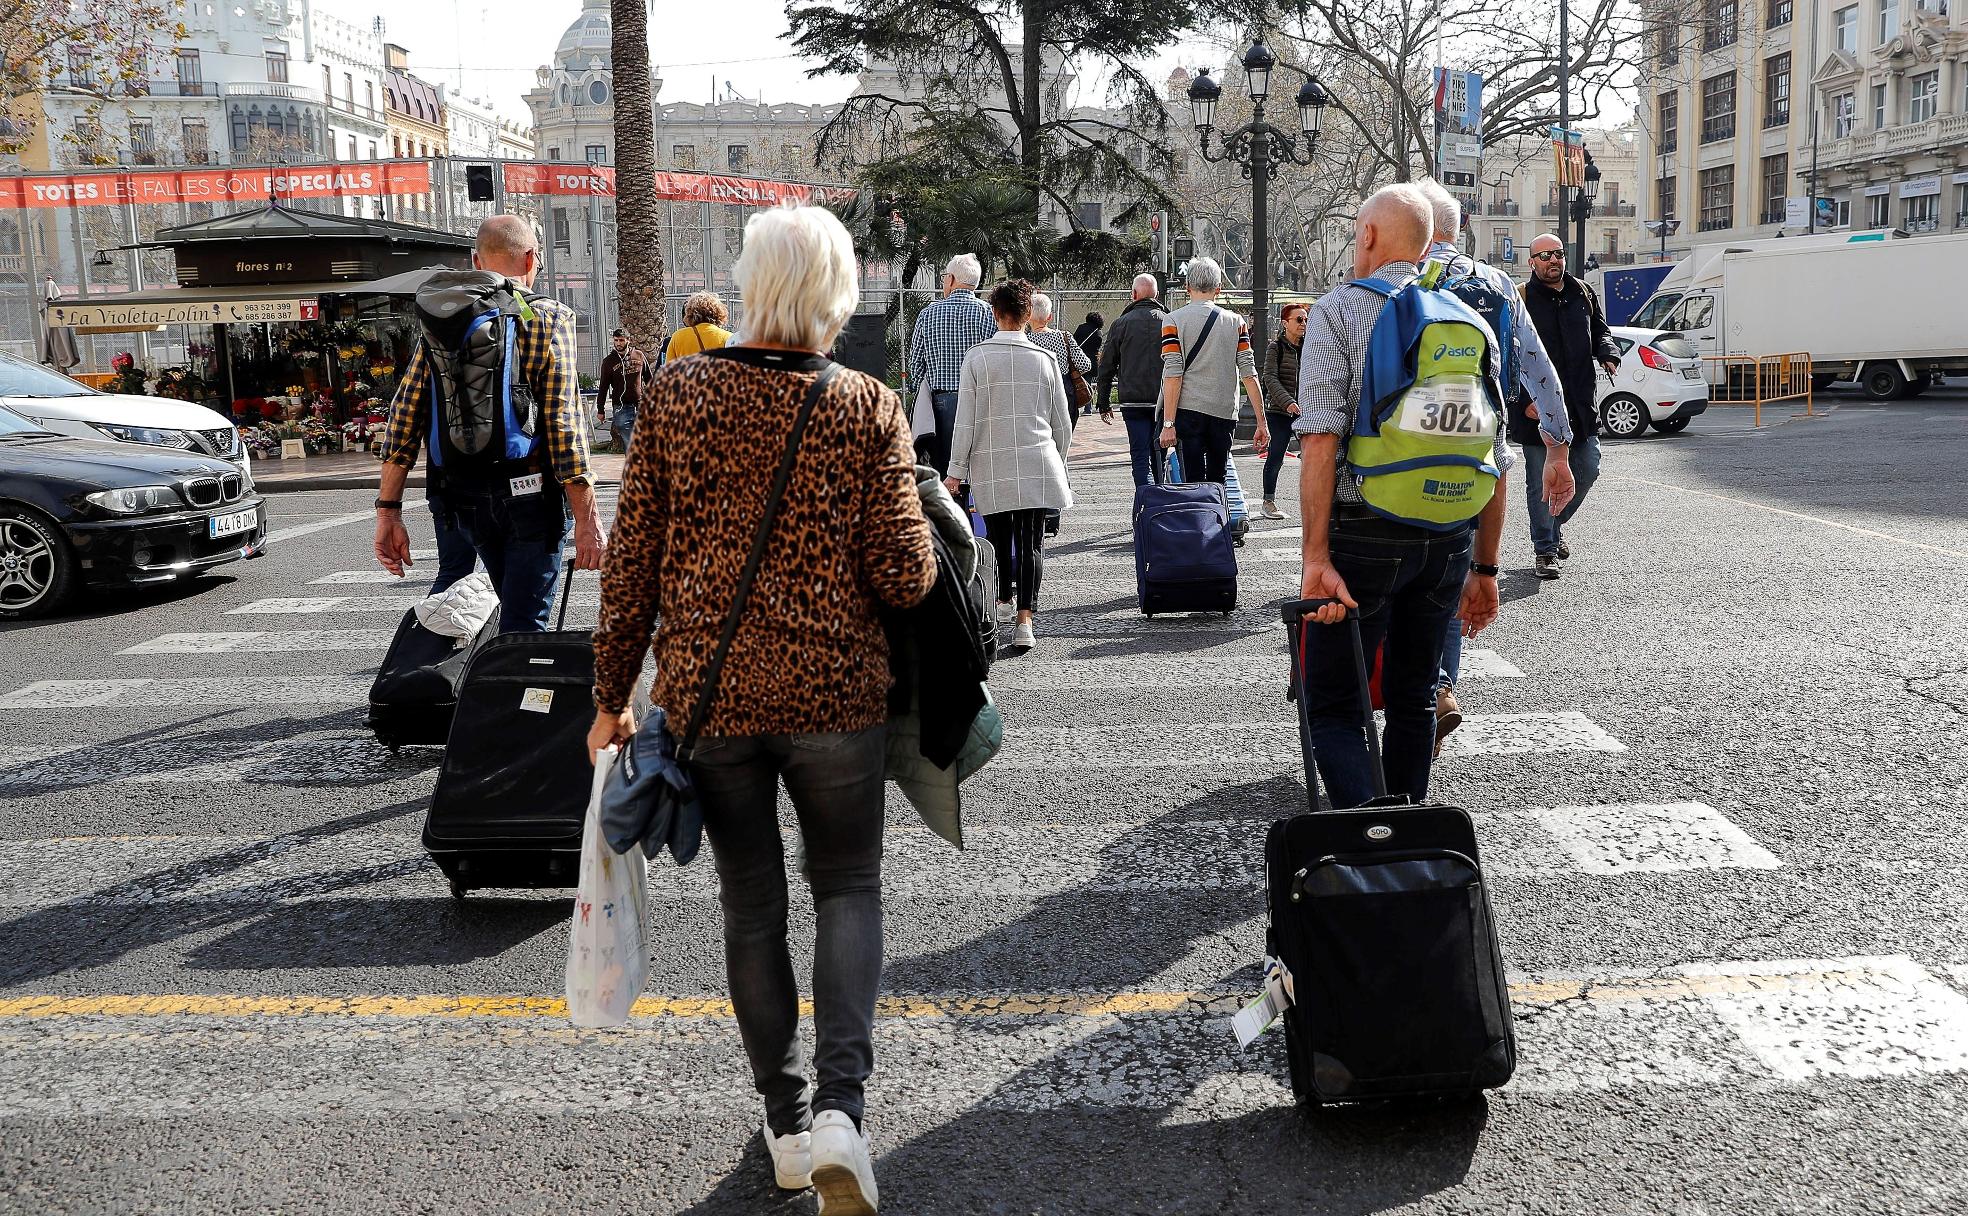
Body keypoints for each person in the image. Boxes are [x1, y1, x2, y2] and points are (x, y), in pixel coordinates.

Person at [588, 204, 936, 1213]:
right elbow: (905, 576)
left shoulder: (678, 395)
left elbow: (632, 567)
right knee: (846, 888)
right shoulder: (865, 403)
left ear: (750, 280)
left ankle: (785, 1129)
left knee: (753, 905)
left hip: (710, 697)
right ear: (837, 292)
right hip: (835, 694)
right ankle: (841, 1114)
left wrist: (610, 697)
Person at [1292, 184, 1512, 808]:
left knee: (1334, 703)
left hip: (1363, 530)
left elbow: (1320, 438)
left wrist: (1315, 556)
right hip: (1447, 533)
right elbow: (1494, 454)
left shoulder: (1338, 310)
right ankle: (1408, 834)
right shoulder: (1469, 322)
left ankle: (1369, 837)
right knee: (1416, 696)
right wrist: (1486, 567)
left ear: (1366, 236)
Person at [373, 214, 605, 631]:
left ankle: (493, 686)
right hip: (530, 495)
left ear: (477, 260)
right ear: (532, 257)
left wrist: (388, 512)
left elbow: (404, 415)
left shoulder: (444, 321)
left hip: (463, 495)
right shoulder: (548, 317)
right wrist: (588, 521)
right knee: (525, 623)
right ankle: (511, 691)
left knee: (508, 612)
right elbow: (563, 423)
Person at [1415, 180, 1577, 754]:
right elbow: (1538, 368)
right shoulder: (1498, 286)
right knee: (1456, 574)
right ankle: (1441, 689)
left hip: (1398, 460)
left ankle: (1419, 690)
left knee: (1400, 577)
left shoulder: (1392, 283)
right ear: (1458, 229)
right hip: (1480, 458)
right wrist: (1557, 448)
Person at [946, 279, 1075, 651]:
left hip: (991, 461)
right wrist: (1059, 460)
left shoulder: (977, 358)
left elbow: (965, 421)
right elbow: (1061, 423)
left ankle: (1001, 601)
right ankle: (1025, 620)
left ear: (996, 314)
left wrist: (956, 469)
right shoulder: (1045, 359)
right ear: (1025, 315)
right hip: (1037, 459)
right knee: (1032, 542)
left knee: (999, 537)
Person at [1520, 232, 1620, 578]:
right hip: (1537, 410)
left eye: (1558, 254)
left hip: (1579, 405)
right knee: (1540, 481)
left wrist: (1607, 353)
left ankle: (1553, 524)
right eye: (1544, 255)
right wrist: (1523, 400)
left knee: (1588, 467)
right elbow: (1508, 353)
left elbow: (1601, 331)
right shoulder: (1521, 298)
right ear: (1532, 262)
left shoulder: (1583, 292)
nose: (1553, 260)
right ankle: (1545, 549)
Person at [1158, 255, 1268, 486]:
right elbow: (1249, 373)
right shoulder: (1236, 322)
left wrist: (1168, 423)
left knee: (1193, 482)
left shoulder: (1173, 320)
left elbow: (1173, 374)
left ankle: (1198, 520)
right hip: (1224, 412)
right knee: (1219, 480)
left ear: (1187, 287)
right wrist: (1261, 422)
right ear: (1218, 288)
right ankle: (1218, 520)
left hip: (1188, 411)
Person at [906, 253, 996, 476]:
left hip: (942, 402)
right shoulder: (988, 314)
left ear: (952, 279)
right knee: (978, 467)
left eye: (945, 276)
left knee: (945, 469)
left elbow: (915, 364)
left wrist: (920, 392)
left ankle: (952, 508)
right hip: (980, 399)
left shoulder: (928, 315)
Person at [1095, 273, 1169, 488]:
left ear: (1134, 294)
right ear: (1156, 294)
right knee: (1160, 453)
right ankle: (1160, 495)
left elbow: (1106, 366)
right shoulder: (1169, 321)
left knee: (1139, 455)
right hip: (1163, 399)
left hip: (1132, 400)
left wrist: (1103, 402)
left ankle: (1145, 497)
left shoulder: (1121, 324)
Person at [1257, 302, 1308, 520]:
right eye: (1299, 319)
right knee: (1276, 456)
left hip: (1306, 411)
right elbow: (1269, 378)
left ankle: (1318, 504)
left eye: (1305, 319)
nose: (1303, 323)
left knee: (1315, 457)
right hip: (1279, 411)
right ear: (1285, 323)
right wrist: (1288, 402)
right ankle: (1268, 502)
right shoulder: (1275, 347)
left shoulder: (1310, 346)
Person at [598, 327, 647, 453]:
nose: (618, 343)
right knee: (629, 441)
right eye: (616, 340)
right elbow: (603, 387)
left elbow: (649, 378)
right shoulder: (608, 362)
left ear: (628, 340)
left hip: (640, 404)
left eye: (621, 340)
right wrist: (600, 410)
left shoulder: (639, 355)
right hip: (621, 407)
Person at [665, 291, 733, 362]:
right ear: (719, 313)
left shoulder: (678, 337)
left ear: (689, 313)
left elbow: (669, 368)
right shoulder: (728, 337)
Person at [1073, 310, 1106, 410]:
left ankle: (1076, 406)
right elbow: (1098, 346)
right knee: (1088, 383)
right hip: (1091, 361)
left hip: (1079, 359)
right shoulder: (1098, 332)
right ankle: (1088, 408)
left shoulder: (1081, 328)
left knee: (1076, 382)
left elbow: (1074, 341)